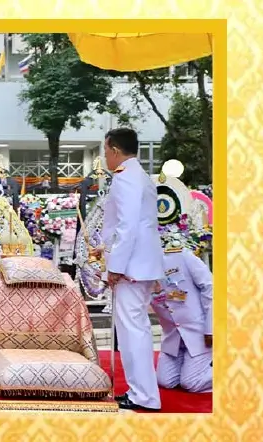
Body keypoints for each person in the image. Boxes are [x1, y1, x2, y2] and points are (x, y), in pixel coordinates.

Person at [100, 128, 165, 411]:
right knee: (136, 329)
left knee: (132, 331)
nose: (105, 157)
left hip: (132, 266)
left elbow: (126, 227)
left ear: (114, 149)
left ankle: (143, 395)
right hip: (142, 263)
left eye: (105, 151)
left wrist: (115, 267)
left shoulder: (126, 177)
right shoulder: (140, 175)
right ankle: (143, 393)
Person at [151, 235, 213, 393]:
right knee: (165, 381)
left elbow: (210, 287)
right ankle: (196, 365)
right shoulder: (139, 269)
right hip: (174, 338)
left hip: (199, 333)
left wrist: (211, 328)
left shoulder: (180, 255)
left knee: (191, 383)